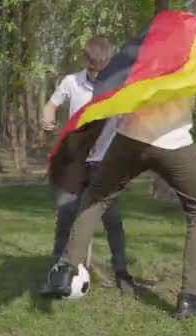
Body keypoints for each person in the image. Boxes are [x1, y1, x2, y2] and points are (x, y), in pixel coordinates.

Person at [41, 0, 196, 318]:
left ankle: (66, 269)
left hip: (129, 138)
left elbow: (124, 70)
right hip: (170, 144)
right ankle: (191, 298)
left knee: (95, 198)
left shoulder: (160, 29)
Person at [41, 35, 136, 294]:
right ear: (85, 61)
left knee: (112, 221)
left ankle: (122, 274)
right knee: (65, 218)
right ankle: (57, 274)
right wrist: (47, 119)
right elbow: (51, 105)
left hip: (105, 165)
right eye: (93, 69)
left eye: (102, 70)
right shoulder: (71, 82)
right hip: (75, 164)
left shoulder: (118, 87)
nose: (96, 75)